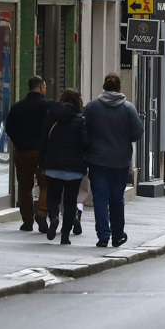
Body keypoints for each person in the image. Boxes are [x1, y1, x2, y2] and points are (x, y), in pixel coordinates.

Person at [82, 73, 144, 249]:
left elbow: (84, 132)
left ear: (104, 87)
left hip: (97, 160)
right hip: (120, 161)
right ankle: (117, 235)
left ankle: (103, 236)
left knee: (100, 198)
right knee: (117, 199)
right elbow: (137, 133)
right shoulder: (128, 108)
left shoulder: (93, 107)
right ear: (119, 88)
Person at [40, 89, 87, 246]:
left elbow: (43, 140)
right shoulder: (81, 119)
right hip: (74, 168)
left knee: (52, 196)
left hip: (53, 164)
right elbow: (85, 143)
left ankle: (53, 217)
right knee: (70, 201)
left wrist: (42, 162)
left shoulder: (51, 117)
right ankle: (65, 236)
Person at [5, 75, 51, 233]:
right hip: (41, 152)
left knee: (24, 187)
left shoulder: (17, 107)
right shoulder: (48, 106)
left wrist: (18, 141)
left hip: (22, 151)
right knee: (45, 185)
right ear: (42, 88)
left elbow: (9, 128)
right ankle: (41, 212)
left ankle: (27, 221)